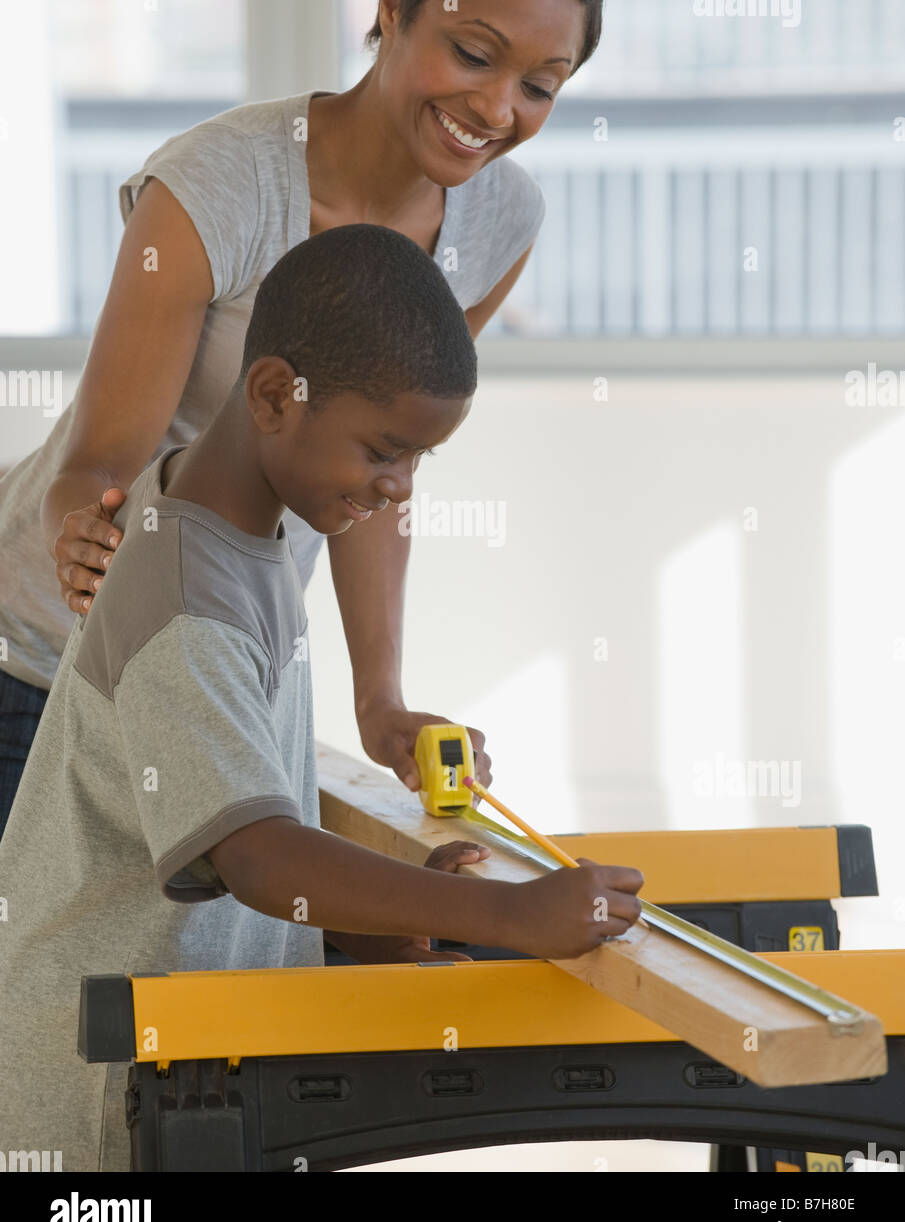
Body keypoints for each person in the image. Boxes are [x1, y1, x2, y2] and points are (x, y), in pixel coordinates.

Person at [0, 224, 644, 1172]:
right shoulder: (187, 593)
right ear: (274, 395)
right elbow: (257, 853)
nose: (398, 487)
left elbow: (213, 819)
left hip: (181, 1060)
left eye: (419, 461)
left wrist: (364, 920)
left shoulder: (237, 537)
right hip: (101, 1101)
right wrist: (512, 916)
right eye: (384, 449)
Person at [0, 0, 605, 834]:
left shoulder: (498, 220)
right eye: (472, 53)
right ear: (394, 1)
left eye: (539, 86)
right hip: (33, 663)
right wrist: (83, 540)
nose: (496, 107)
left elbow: (380, 462)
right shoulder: (218, 185)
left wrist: (380, 702)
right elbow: (97, 466)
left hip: (224, 665)